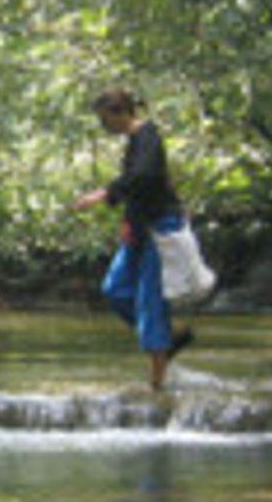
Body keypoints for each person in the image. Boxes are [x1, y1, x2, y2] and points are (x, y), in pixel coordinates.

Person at [73, 88, 195, 392]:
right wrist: (128, 220)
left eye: (105, 120)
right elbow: (141, 189)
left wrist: (103, 194)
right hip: (141, 227)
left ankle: (157, 385)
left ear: (121, 113)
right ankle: (168, 338)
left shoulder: (148, 137)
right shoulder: (135, 141)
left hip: (160, 229)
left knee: (150, 302)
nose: (104, 126)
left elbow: (143, 177)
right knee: (115, 290)